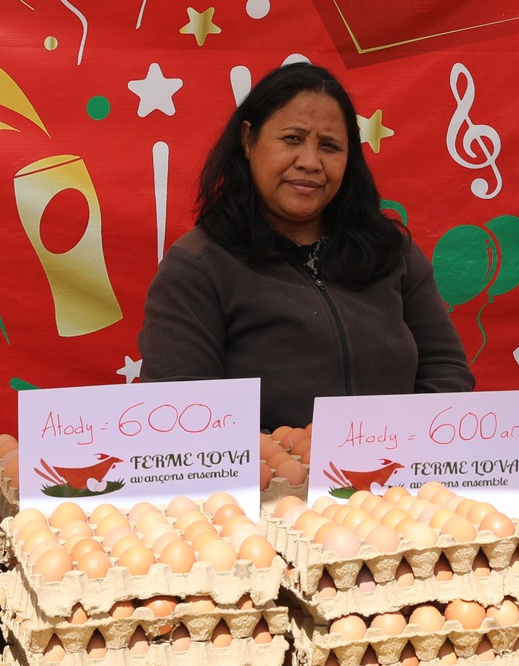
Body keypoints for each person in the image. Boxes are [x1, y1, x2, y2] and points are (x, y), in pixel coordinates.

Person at [139, 61, 472, 428]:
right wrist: (287, 459)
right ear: (249, 140)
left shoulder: (391, 252)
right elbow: (184, 411)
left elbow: (446, 369)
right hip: (267, 483)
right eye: (292, 139)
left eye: (330, 146)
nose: (311, 163)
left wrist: (408, 443)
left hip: (396, 477)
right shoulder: (198, 266)